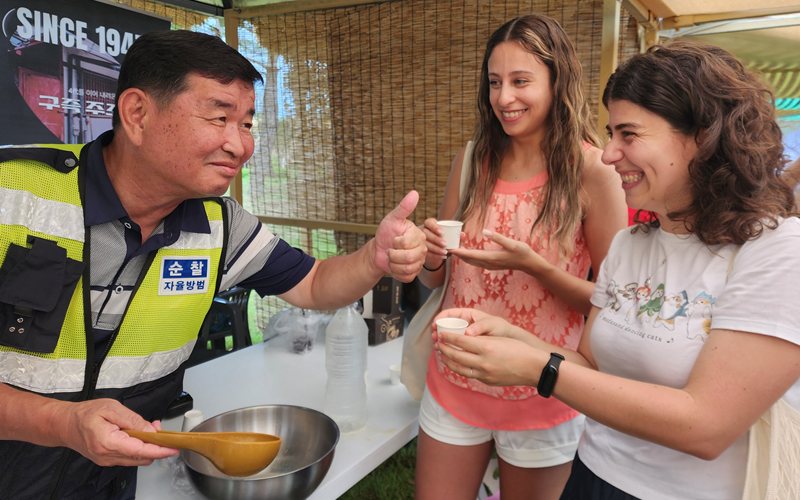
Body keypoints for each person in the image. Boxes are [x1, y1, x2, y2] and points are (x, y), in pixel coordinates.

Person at [0, 30, 426, 499]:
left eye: (245, 124)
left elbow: (315, 283)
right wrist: (60, 422)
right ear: (137, 114)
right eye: (219, 117)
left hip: (115, 480)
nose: (240, 145)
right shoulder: (13, 195)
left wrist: (373, 258)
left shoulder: (222, 226)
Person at [434, 39, 800, 500]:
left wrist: (539, 369)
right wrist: (509, 337)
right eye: (611, 134)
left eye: (628, 134)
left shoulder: (774, 250)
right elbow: (589, 364)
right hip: (592, 477)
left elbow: (705, 425)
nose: (608, 154)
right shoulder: (632, 243)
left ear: (703, 137)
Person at [415, 14, 627, 500]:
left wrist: (532, 264)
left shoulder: (592, 171)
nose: (503, 98)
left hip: (544, 389)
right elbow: (435, 283)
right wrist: (428, 258)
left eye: (520, 81)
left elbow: (614, 305)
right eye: (494, 82)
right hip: (454, 378)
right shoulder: (472, 161)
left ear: (558, 81)